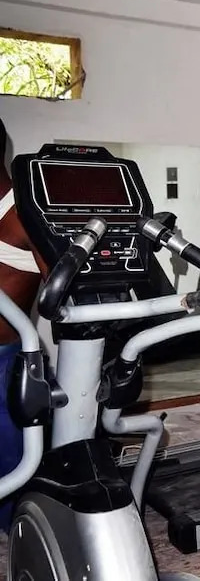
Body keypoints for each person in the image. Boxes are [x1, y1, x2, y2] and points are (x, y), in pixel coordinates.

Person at [0, 116, 47, 529]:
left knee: (13, 465)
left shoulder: (23, 211)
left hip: (5, 359)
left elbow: (62, 292)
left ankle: (16, 532)